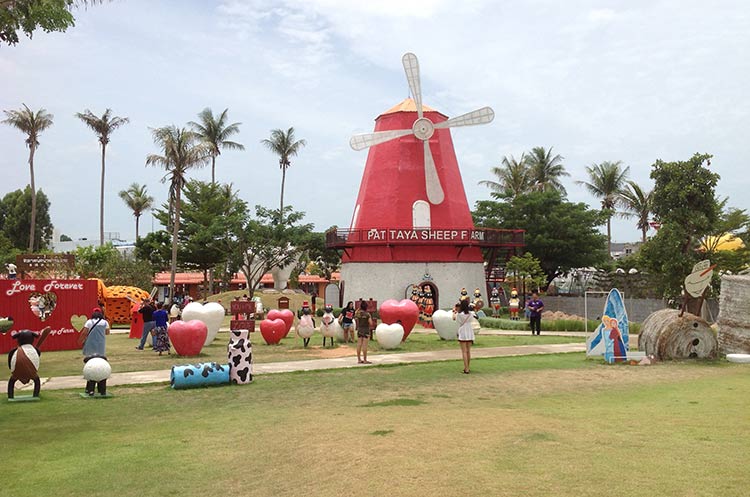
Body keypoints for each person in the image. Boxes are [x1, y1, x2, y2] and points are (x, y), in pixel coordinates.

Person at [453, 299, 475, 374]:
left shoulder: (460, 314)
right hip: (469, 330)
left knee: (464, 351)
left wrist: (454, 311)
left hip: (463, 331)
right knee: (468, 351)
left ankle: (466, 368)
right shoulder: (471, 314)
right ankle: (467, 367)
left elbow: (456, 321)